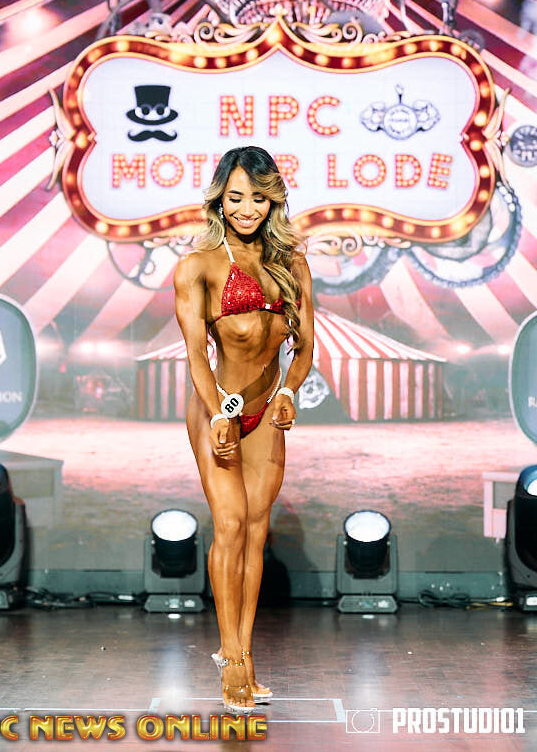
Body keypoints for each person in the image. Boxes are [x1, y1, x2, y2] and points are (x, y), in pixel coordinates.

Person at [174, 146, 314, 713]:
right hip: (218, 410)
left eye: (258, 198)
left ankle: (247, 655)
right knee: (229, 526)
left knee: (256, 533)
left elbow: (304, 349)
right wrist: (217, 414)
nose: (247, 209)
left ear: (273, 201)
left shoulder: (291, 264)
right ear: (219, 200)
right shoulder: (198, 267)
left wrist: (287, 394)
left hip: (266, 415)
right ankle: (229, 658)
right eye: (235, 198)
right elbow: (195, 356)